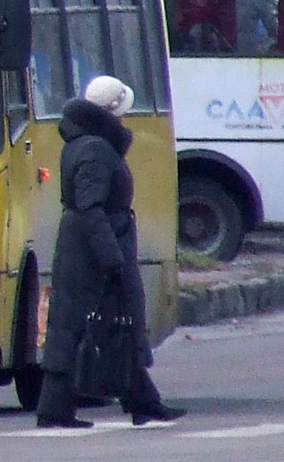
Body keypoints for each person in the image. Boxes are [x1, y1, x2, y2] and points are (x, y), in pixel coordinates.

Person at [36, 75, 186, 428]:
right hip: (95, 247)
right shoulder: (96, 149)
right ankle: (60, 409)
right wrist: (112, 257)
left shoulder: (82, 143)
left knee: (106, 322)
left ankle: (141, 401)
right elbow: (92, 207)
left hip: (85, 244)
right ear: (113, 110)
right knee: (95, 323)